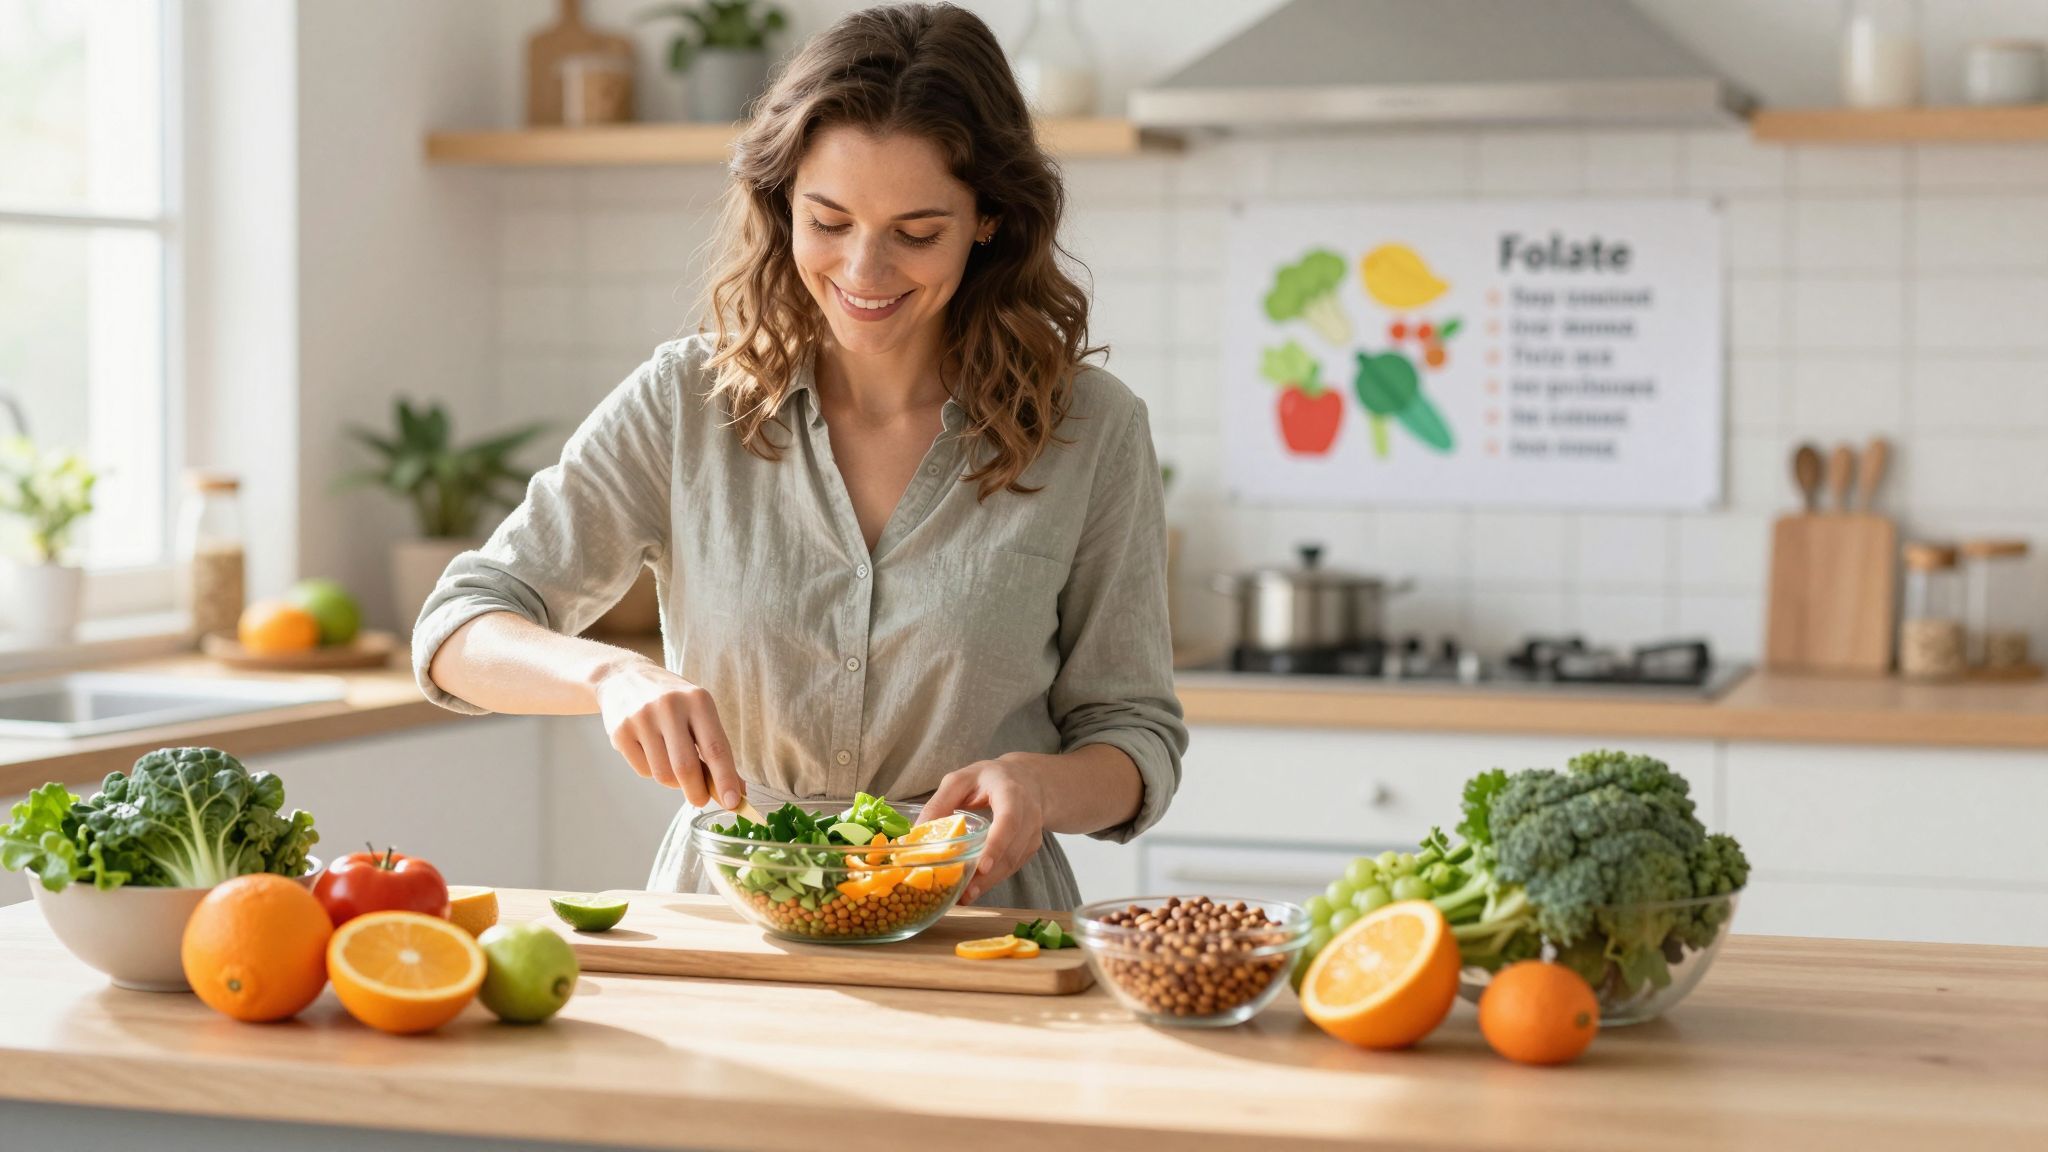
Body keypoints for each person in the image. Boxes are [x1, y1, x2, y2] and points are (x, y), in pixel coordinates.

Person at [412, 3, 1183, 911]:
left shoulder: (1090, 430)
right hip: (734, 924)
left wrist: (1042, 786)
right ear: (782, 204)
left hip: (975, 933)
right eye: (829, 220)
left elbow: (1134, 738)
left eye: (917, 232)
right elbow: (459, 626)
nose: (864, 270)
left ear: (989, 220)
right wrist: (609, 675)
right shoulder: (683, 403)